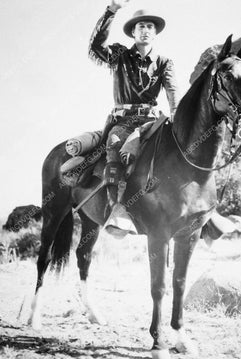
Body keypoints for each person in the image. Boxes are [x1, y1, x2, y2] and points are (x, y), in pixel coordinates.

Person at [88, 0, 179, 235]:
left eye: (150, 26)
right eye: (141, 26)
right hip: (123, 122)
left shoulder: (164, 62)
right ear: (133, 32)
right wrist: (112, 10)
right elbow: (96, 45)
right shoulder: (119, 55)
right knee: (115, 145)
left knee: (179, 148)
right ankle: (116, 209)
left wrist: (176, 113)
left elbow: (172, 91)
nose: (146, 30)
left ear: (155, 32)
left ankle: (196, 209)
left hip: (152, 121)